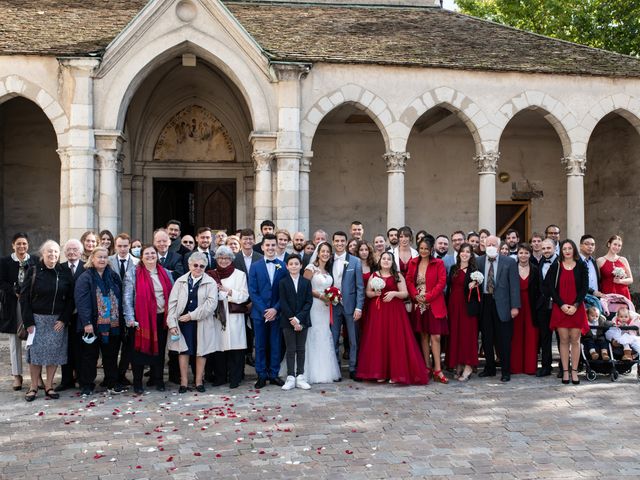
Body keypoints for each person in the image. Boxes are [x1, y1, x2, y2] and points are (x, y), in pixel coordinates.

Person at [357, 252, 429, 385]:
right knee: (379, 340)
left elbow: (405, 293)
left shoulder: (397, 275)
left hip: (394, 312)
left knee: (394, 340)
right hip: (377, 312)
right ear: (380, 261)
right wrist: (374, 293)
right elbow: (367, 292)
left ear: (392, 262)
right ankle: (380, 372)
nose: (386, 261)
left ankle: (396, 373)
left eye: (388, 259)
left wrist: (394, 293)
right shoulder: (374, 275)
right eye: (383, 259)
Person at [20, 240, 74, 401]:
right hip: (37, 320)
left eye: (56, 252)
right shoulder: (34, 270)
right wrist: (28, 321)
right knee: (35, 355)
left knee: (54, 355)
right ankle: (34, 386)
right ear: (42, 254)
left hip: (57, 321)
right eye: (49, 251)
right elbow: (24, 297)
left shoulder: (64, 272)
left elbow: (71, 299)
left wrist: (64, 319)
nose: (53, 255)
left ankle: (49, 386)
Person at [122, 244, 173, 394]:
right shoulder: (133, 273)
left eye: (153, 253)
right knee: (138, 352)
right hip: (140, 319)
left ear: (157, 255)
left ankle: (158, 379)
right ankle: (138, 382)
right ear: (141, 256)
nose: (150, 256)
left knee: (159, 351)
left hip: (160, 318)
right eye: (147, 254)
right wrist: (130, 318)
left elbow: (172, 295)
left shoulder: (165, 273)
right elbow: (127, 298)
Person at [75, 246, 125, 396]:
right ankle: (87, 384)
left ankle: (111, 382)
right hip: (93, 323)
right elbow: (82, 301)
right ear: (92, 259)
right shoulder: (85, 277)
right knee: (90, 356)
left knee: (111, 355)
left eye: (105, 257)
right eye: (99, 257)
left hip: (113, 324)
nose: (102, 260)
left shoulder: (114, 276)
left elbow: (120, 296)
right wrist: (87, 323)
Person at [167, 252, 218, 393]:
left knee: (201, 351)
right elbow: (172, 304)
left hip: (201, 321)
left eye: (202, 266)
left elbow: (211, 304)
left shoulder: (210, 282)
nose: (198, 268)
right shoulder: (180, 281)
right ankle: (183, 382)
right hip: (182, 323)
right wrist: (171, 324)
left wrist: (191, 316)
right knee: (183, 350)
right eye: (195, 265)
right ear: (189, 265)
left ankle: (199, 381)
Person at [477, 236, 520, 382]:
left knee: (504, 339)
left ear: (499, 246)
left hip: (503, 305)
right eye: (488, 244)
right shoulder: (478, 261)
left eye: (493, 244)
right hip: (485, 303)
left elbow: (514, 286)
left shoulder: (509, 262)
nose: (490, 246)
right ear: (484, 245)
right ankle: (489, 368)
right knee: (487, 338)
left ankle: (505, 371)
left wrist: (515, 306)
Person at [546, 239, 589, 385]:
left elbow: (584, 288)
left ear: (574, 250)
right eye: (564, 249)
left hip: (577, 308)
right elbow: (550, 287)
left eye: (570, 248)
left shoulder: (582, 265)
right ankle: (565, 371)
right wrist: (562, 305)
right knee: (563, 340)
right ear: (561, 251)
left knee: (575, 340)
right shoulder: (556, 265)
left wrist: (575, 305)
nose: (567, 251)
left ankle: (575, 371)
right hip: (560, 308)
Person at [206, 246, 250, 389]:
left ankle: (235, 378)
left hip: (233, 315)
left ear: (231, 259)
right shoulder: (210, 274)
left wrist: (228, 292)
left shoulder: (240, 274)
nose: (223, 261)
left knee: (235, 347)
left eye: (226, 258)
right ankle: (220, 377)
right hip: (217, 315)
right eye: (220, 258)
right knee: (219, 348)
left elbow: (244, 296)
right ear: (216, 259)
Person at [406, 237, 448, 383]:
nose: (423, 251)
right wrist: (415, 295)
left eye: (426, 248)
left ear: (431, 250)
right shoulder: (413, 262)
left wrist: (428, 296)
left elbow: (441, 282)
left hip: (434, 303)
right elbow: (409, 280)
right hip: (418, 303)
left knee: (436, 336)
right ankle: (427, 367)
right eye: (421, 248)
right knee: (423, 335)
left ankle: (438, 369)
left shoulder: (439, 263)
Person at [0, 232, 39, 391]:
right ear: (13, 245)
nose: (21, 246)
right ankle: (17, 375)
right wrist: (14, 291)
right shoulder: (5, 261)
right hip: (13, 302)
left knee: (34, 338)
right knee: (14, 339)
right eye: (18, 244)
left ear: (28, 245)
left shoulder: (35, 260)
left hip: (32, 303)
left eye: (24, 243)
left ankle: (37, 377)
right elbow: (1, 282)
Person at [248, 233, 287, 388]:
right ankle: (261, 375)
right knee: (261, 345)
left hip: (277, 314)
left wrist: (275, 309)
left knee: (275, 344)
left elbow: (284, 291)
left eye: (273, 245)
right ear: (263, 247)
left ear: (276, 247)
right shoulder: (255, 266)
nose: (270, 248)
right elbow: (252, 290)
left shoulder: (283, 266)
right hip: (259, 314)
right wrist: (265, 310)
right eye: (268, 245)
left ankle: (274, 374)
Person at [303, 242, 341, 384]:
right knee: (314, 335)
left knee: (325, 335)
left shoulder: (327, 271)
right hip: (313, 307)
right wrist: (320, 297)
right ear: (318, 253)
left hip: (325, 309)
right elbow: (304, 287)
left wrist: (332, 298)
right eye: (322, 251)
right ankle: (311, 371)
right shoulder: (310, 268)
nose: (325, 254)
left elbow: (330, 289)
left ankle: (325, 370)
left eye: (327, 252)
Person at [328, 231, 364, 381]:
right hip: (333, 305)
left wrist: (359, 307)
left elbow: (360, 287)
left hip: (350, 306)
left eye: (342, 241)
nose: (340, 243)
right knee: (334, 338)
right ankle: (336, 369)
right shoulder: (328, 260)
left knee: (353, 340)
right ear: (333, 242)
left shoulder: (355, 261)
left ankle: (353, 368)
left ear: (346, 242)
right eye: (337, 241)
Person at [109, 233, 140, 386]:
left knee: (129, 346)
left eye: (125, 246)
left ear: (130, 246)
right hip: (112, 311)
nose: (122, 249)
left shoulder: (137, 262)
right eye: (119, 246)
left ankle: (122, 374)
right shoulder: (108, 261)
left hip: (131, 310)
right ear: (115, 246)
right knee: (113, 345)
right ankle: (112, 376)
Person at [446, 243, 480, 382]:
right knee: (456, 334)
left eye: (468, 252)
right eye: (462, 251)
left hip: (467, 306)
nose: (465, 254)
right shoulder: (453, 268)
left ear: (471, 254)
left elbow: (478, 291)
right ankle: (458, 363)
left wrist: (476, 284)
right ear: (459, 253)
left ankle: (468, 365)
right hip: (454, 305)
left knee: (467, 335)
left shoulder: (474, 270)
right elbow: (449, 287)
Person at [279, 254, 313, 390]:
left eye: (296, 264)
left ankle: (300, 376)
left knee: (301, 349)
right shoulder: (282, 282)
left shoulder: (306, 282)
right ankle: (290, 377)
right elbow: (283, 302)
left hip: (303, 321)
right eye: (291, 264)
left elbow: (308, 302)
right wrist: (292, 320)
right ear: (287, 266)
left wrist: (299, 319)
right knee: (291, 349)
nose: (294, 266)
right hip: (288, 322)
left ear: (301, 266)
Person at [56, 239, 85, 392]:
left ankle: (81, 378)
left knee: (80, 349)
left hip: (81, 315)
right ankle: (66, 380)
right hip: (64, 316)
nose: (71, 252)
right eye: (68, 249)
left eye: (75, 249)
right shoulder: (59, 268)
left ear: (80, 252)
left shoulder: (86, 267)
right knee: (65, 348)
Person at [510, 243, 540, 375]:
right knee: (515, 335)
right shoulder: (511, 268)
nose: (523, 255)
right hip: (515, 305)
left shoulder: (535, 269)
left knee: (531, 334)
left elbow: (539, 290)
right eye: (521, 252)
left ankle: (530, 367)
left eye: (526, 253)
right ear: (517, 254)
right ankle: (515, 367)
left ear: (530, 254)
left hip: (531, 306)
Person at [535, 238, 557, 377]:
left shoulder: (561, 262)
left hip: (558, 304)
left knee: (562, 338)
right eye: (543, 249)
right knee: (545, 337)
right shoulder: (541, 261)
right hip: (543, 305)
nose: (546, 251)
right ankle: (546, 366)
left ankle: (563, 367)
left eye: (548, 248)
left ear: (555, 248)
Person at [597, 235, 633, 300]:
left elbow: (630, 279)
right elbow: (597, 280)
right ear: (609, 244)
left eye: (619, 245)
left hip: (623, 294)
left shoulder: (623, 260)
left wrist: (620, 281)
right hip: (607, 294)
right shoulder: (599, 261)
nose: (617, 247)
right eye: (615, 244)